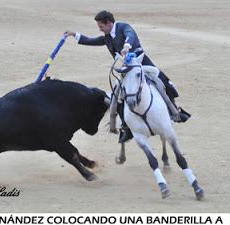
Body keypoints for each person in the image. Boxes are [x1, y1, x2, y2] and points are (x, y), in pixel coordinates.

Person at [65, 10, 190, 143]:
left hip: (141, 63)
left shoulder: (123, 27)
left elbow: (131, 35)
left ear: (108, 23)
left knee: (163, 82)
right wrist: (74, 35)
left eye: (101, 26)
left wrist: (126, 46)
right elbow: (91, 40)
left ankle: (175, 112)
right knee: (118, 96)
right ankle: (126, 127)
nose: (100, 30)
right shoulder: (107, 37)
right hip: (125, 70)